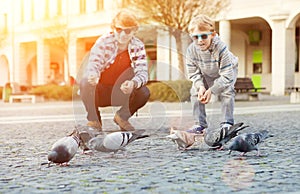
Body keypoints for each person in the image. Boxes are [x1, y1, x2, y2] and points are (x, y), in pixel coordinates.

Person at [80, 10, 150, 131]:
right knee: (85, 82)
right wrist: (94, 75)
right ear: (113, 28)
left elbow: (143, 72)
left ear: (134, 31)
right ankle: (94, 120)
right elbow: (94, 64)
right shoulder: (103, 41)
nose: (123, 34)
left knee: (144, 92)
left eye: (127, 31)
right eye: (119, 29)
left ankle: (122, 117)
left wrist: (133, 83)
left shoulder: (138, 46)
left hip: (122, 91)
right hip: (101, 91)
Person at [185, 14, 238, 134]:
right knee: (195, 91)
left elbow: (226, 76)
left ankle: (227, 123)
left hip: (227, 70)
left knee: (227, 91)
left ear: (212, 35)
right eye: (195, 37)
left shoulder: (221, 48)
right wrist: (201, 87)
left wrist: (212, 90)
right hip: (206, 71)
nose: (199, 40)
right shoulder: (191, 50)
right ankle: (200, 124)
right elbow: (193, 73)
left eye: (204, 36)